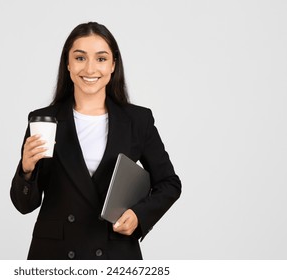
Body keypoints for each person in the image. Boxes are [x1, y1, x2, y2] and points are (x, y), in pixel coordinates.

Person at [10, 22, 181, 260]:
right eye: (80, 58)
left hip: (113, 252)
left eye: (101, 59)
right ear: (68, 64)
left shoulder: (137, 120)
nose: (90, 68)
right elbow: (24, 205)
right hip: (55, 255)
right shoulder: (43, 120)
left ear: (113, 65)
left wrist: (139, 216)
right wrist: (26, 171)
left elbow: (169, 183)